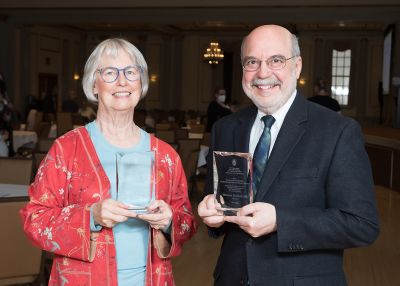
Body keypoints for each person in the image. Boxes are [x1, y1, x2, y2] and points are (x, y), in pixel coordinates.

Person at [197, 25, 379, 286]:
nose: (262, 72)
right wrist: (213, 216)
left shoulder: (337, 131)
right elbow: (221, 203)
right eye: (252, 62)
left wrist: (281, 221)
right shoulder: (225, 128)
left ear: (297, 66)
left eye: (276, 60)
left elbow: (362, 224)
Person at [21, 38, 197, 286]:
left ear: (141, 83)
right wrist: (91, 216)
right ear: (94, 84)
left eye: (131, 72)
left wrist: (169, 220)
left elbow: (187, 223)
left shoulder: (165, 156)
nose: (122, 81)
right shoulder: (67, 149)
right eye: (111, 73)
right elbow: (35, 220)